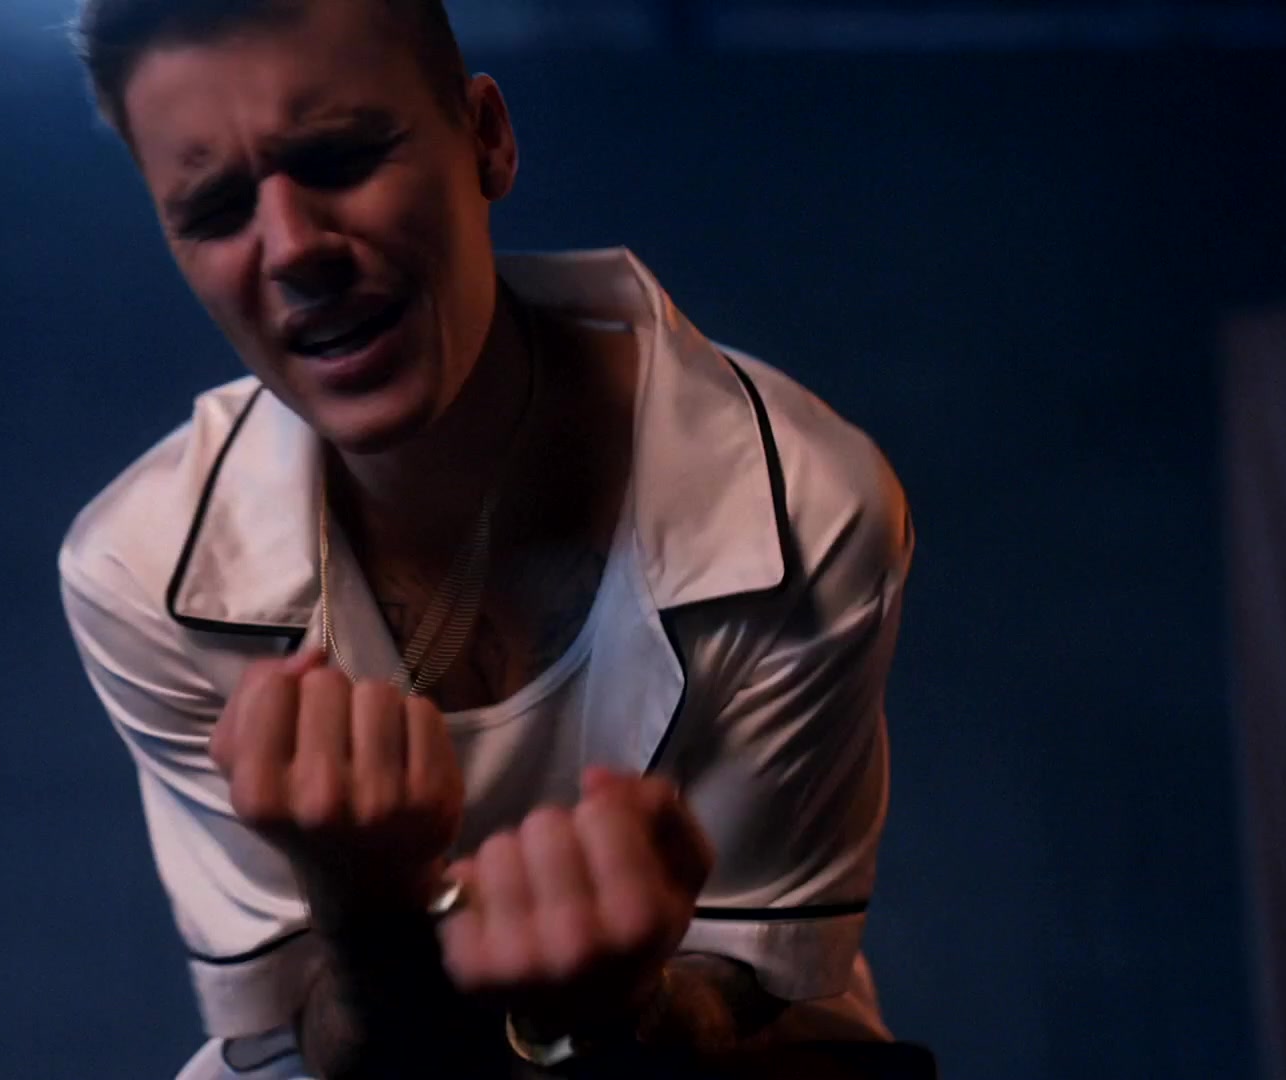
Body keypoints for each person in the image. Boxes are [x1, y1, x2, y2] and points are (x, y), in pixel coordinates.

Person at [58, 1, 915, 1076]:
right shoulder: (138, 567)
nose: (293, 250)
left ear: (488, 140)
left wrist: (622, 1002)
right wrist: (363, 911)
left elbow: (748, 985)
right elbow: (315, 1037)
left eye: (341, 157)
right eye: (217, 209)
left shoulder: (800, 503)